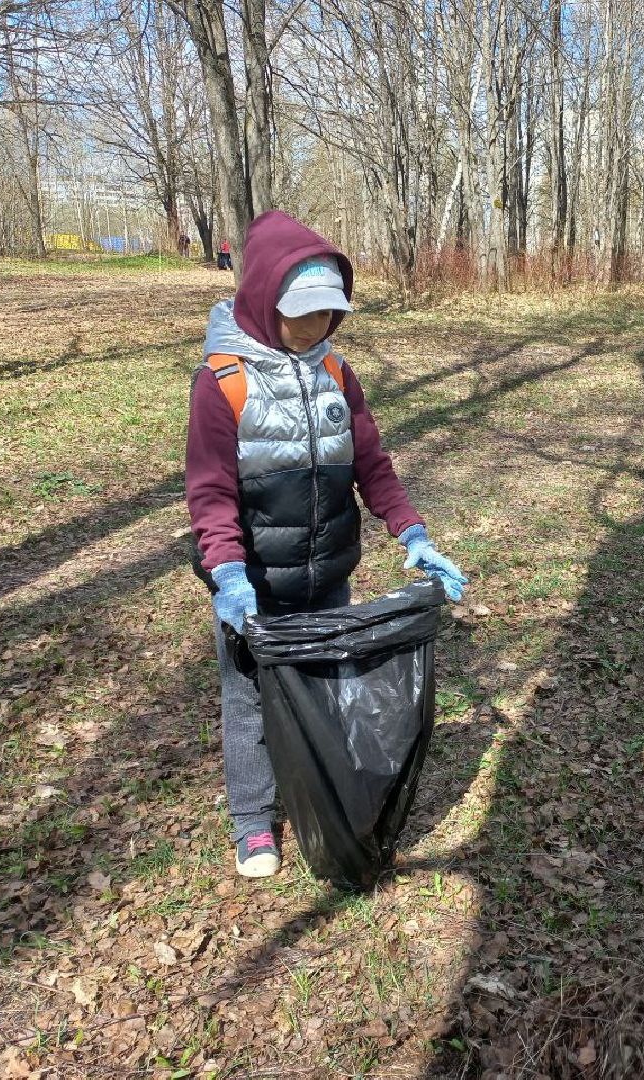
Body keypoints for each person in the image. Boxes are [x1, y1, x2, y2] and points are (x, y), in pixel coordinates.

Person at [186, 209, 468, 878]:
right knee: (249, 700)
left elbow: (371, 466)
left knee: (323, 687)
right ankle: (254, 822)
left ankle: (320, 787)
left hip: (327, 573)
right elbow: (211, 493)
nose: (316, 328)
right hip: (252, 585)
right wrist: (229, 576)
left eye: (327, 314)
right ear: (262, 300)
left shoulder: (337, 376)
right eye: (301, 314)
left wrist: (413, 531)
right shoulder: (222, 383)